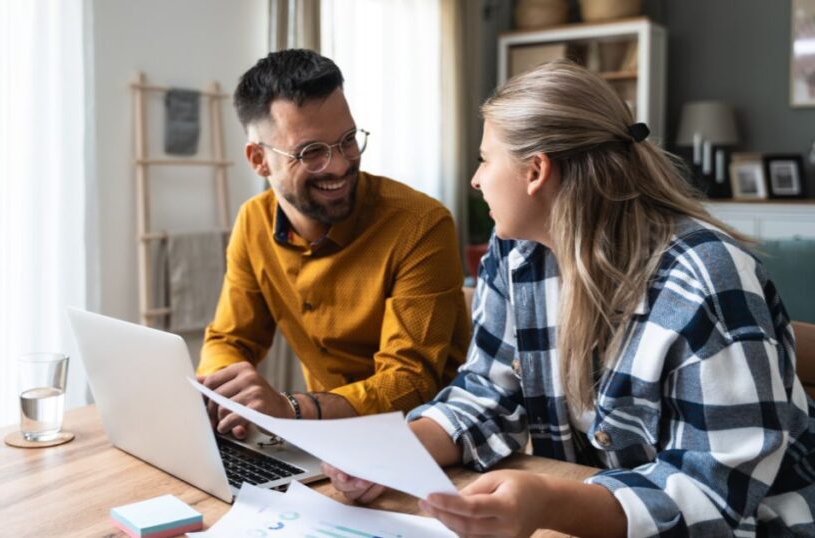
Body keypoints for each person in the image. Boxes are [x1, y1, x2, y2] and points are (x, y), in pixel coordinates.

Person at [325, 60, 815, 537]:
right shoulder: (515, 255)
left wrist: (548, 501)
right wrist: (394, 452)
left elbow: (714, 499)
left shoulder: (708, 277)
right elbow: (487, 392)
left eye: (484, 159)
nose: (476, 180)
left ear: (536, 170)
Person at [197, 49, 472, 438]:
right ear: (259, 160)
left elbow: (410, 384)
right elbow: (229, 339)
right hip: (322, 439)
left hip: (427, 442)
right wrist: (224, 395)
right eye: (311, 152)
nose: (340, 166)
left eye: (347, 140)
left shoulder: (421, 225)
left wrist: (290, 408)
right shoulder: (252, 222)